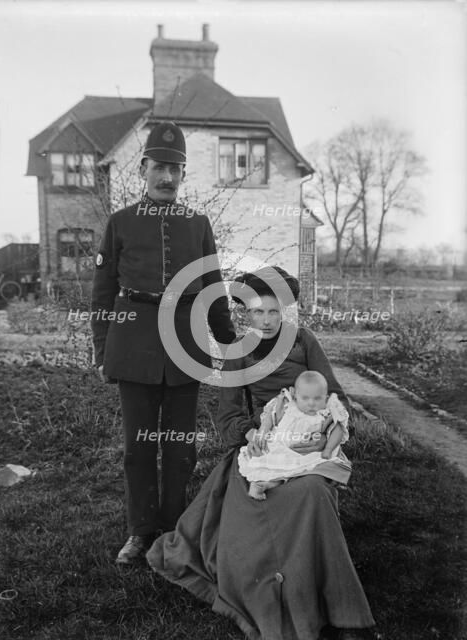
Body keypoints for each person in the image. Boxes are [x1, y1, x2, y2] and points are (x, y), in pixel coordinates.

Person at [147, 266, 376, 640]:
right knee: (256, 506)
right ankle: (269, 590)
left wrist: (321, 429)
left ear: (285, 310)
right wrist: (251, 431)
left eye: (274, 312)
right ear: (245, 313)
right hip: (262, 444)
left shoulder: (304, 341)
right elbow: (228, 415)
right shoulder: (238, 352)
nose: (266, 321)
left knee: (314, 492)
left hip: (311, 442)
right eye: (257, 312)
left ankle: (340, 609)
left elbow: (336, 396)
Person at [91, 121, 236, 564]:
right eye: (160, 167)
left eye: (176, 169)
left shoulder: (198, 224)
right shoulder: (120, 223)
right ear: (143, 169)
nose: (168, 177)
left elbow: (212, 286)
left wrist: (230, 343)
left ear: (183, 174)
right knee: (138, 446)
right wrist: (102, 350)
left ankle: (174, 530)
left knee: (179, 447)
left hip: (186, 345)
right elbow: (102, 293)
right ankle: (139, 532)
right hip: (133, 344)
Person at [239, 369, 351, 500]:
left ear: (325, 397)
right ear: (295, 395)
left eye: (317, 398)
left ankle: (266, 484)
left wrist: (328, 448)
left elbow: (338, 430)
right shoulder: (288, 405)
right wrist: (261, 433)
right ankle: (262, 483)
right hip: (280, 446)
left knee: (305, 468)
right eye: (305, 398)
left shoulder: (326, 412)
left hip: (306, 451)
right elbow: (270, 417)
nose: (311, 403)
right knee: (271, 464)